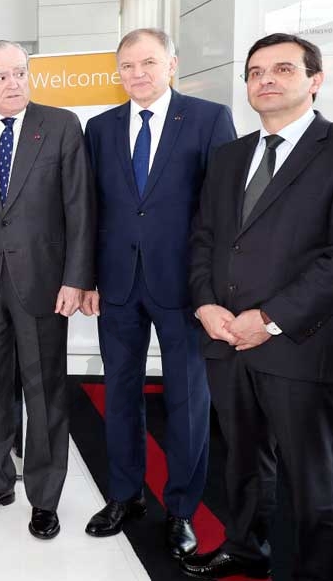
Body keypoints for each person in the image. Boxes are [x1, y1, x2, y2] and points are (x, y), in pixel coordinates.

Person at [81, 28, 236, 558]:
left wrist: (212, 288)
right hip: (118, 284)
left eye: (148, 62)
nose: (137, 73)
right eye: (127, 65)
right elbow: (90, 212)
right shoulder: (99, 128)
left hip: (185, 286)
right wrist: (87, 278)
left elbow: (221, 212)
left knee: (188, 399)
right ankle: (126, 495)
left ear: (172, 63)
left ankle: (182, 510)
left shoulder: (208, 119)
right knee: (120, 394)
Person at [184, 33, 333, 581]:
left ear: (314, 80)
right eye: (254, 72)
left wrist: (268, 319)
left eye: (281, 70)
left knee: (312, 475)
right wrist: (203, 304)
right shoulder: (229, 157)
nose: (265, 80)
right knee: (243, 461)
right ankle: (247, 548)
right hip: (225, 340)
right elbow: (203, 238)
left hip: (297, 342)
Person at [0, 40, 95, 539]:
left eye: (19, 73)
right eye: (1, 76)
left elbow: (80, 209)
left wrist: (77, 278)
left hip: (44, 283)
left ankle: (44, 495)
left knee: (45, 391)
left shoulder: (61, 126)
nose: (13, 84)